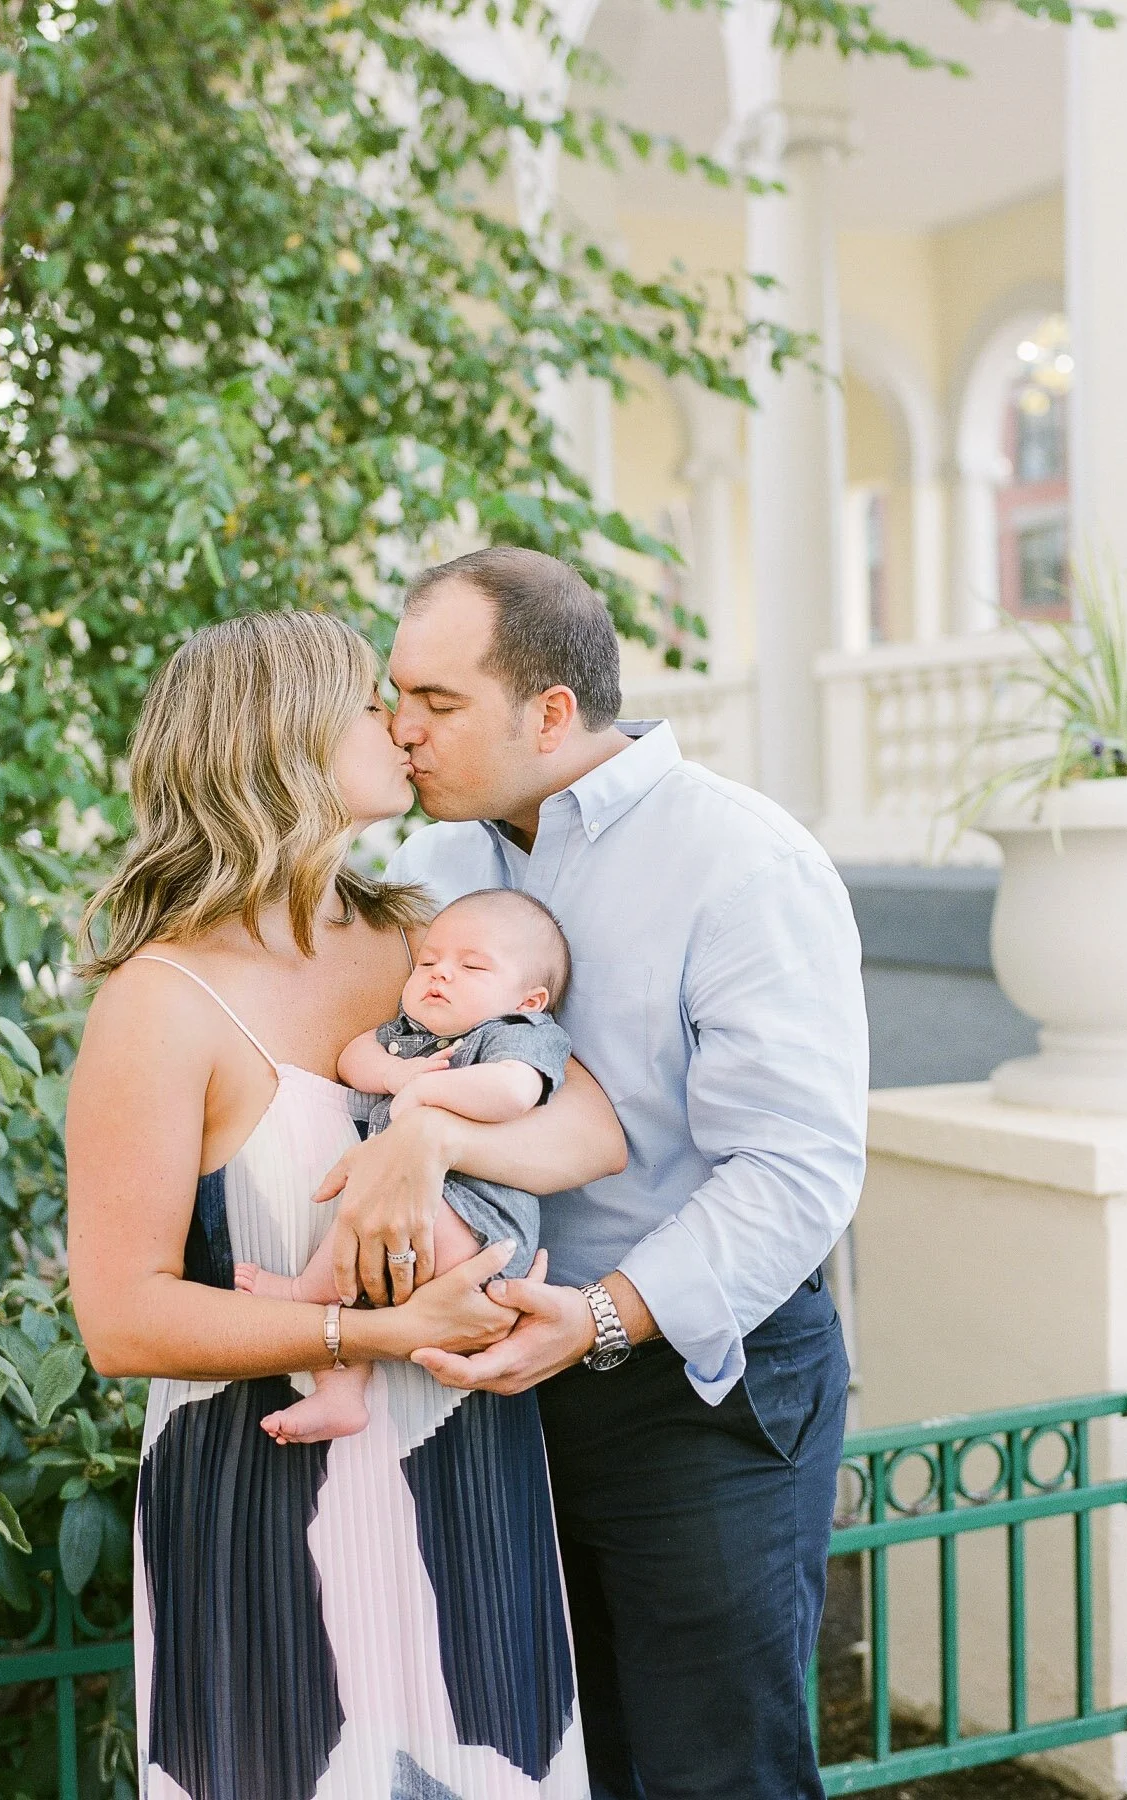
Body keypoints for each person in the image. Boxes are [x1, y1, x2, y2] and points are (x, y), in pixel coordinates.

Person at [310, 547, 869, 1800]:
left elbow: (796, 1167)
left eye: (438, 704)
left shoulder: (742, 860)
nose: (401, 731)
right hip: (495, 1390)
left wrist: (606, 1317)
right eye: (397, 696)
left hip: (698, 1394)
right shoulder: (443, 873)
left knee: (711, 1775)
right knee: (551, 1769)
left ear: (550, 713)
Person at [65, 610, 624, 1800]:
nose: (400, 723)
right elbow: (120, 1320)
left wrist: (421, 1132)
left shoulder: (427, 944)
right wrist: (366, 1335)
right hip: (269, 1500)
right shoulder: (159, 1003)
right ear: (284, 740)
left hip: (466, 1478)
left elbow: (592, 1130)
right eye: (371, 701)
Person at [233, 886, 572, 1445]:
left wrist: (426, 1098)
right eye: (431, 962)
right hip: (423, 1219)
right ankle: (341, 1396)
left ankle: (302, 1295)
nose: (441, 975)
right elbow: (352, 1057)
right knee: (367, 1250)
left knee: (366, 1217)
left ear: (529, 999)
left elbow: (513, 1092)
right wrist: (396, 1075)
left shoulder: (516, 1035)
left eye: (471, 966)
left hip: (477, 1225)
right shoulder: (409, 1037)